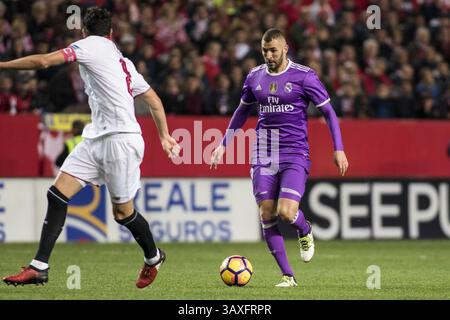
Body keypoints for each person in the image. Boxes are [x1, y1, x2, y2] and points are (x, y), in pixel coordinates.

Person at [1, 7, 180, 288]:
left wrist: (3, 65)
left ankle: (153, 257)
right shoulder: (124, 61)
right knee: (57, 194)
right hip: (96, 138)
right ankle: (40, 267)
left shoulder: (86, 46)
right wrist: (165, 136)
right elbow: (154, 100)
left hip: (121, 140)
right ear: (111, 33)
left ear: (84, 31)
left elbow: (44, 62)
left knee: (123, 214)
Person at [210, 28, 349, 287]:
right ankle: (288, 276)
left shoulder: (304, 77)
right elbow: (241, 112)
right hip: (263, 152)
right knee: (266, 212)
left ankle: (304, 229)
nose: (269, 55)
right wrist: (223, 144)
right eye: (264, 51)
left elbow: (329, 113)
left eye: (273, 50)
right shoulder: (254, 77)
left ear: (285, 48)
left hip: (295, 152)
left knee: (286, 213)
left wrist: (338, 148)